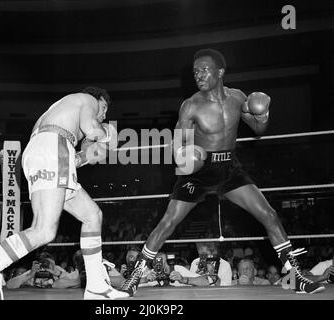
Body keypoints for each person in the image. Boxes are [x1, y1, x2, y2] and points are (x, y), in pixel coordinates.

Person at [121, 48, 325, 295]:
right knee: (168, 222)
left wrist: (264, 113)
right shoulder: (190, 106)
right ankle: (134, 277)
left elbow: (259, 129)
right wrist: (186, 158)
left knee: (268, 214)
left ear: (220, 72)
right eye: (196, 71)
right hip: (198, 172)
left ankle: (296, 277)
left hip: (229, 168)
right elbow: (177, 144)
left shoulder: (238, 97)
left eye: (205, 70)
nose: (199, 75)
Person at [0, 87, 129, 300]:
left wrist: (90, 152)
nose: (103, 114)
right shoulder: (87, 100)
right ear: (98, 99)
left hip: (47, 152)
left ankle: (96, 287)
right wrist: (108, 132)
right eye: (103, 109)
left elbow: (76, 158)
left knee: (93, 215)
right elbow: (93, 130)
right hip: (53, 149)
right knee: (43, 231)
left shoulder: (61, 112)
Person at [6, 252, 80, 289]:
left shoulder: (57, 269)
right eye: (43, 262)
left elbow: (76, 281)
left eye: (48, 263)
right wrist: (29, 275)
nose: (45, 265)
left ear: (53, 262)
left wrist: (58, 273)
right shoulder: (34, 271)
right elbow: (9, 285)